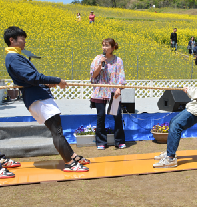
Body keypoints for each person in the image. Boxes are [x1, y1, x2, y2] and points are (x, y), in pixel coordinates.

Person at [4, 26, 89, 172]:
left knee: (57, 129)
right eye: (22, 39)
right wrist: (56, 80)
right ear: (12, 40)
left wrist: (47, 82)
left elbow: (30, 79)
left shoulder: (16, 56)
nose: (24, 42)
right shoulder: (13, 58)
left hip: (38, 97)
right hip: (37, 98)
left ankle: (72, 156)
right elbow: (32, 77)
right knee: (56, 130)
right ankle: (69, 163)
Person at [90, 38, 126, 150]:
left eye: (107, 45)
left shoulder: (118, 60)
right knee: (100, 116)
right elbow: (93, 76)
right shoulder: (97, 59)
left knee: (117, 115)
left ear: (113, 47)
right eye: (103, 45)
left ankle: (119, 141)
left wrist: (119, 89)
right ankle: (101, 141)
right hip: (100, 91)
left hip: (113, 91)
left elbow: (121, 75)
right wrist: (100, 65)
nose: (104, 48)